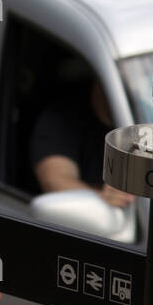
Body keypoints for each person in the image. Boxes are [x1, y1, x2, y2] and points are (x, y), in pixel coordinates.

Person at [29, 76, 134, 207]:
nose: (130, 86)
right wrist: (102, 199)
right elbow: (55, 181)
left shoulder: (148, 119)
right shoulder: (61, 119)